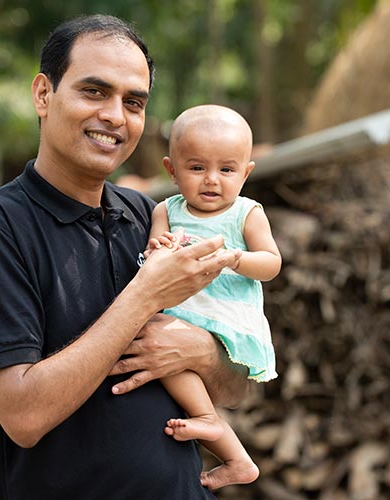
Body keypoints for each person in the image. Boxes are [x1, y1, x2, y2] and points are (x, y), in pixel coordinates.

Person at [0, 15, 249, 500]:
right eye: (94, 91)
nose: (115, 115)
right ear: (43, 94)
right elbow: (22, 417)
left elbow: (236, 389)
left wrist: (201, 352)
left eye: (133, 102)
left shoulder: (152, 219)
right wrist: (144, 295)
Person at [144, 104, 281, 490]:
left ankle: (216, 432)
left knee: (171, 358)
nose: (211, 180)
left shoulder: (246, 213)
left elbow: (271, 263)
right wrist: (161, 245)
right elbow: (155, 250)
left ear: (246, 173)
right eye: (197, 168)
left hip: (226, 313)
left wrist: (236, 258)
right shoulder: (165, 210)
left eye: (226, 169)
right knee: (167, 358)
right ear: (172, 170)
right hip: (182, 310)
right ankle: (235, 456)